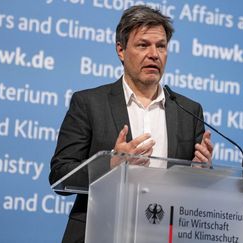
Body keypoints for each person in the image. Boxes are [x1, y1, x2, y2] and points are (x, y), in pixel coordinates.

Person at [49, 5, 213, 243]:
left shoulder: (189, 111)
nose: (154, 54)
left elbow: (195, 193)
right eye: (143, 45)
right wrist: (111, 165)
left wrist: (201, 174)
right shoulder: (89, 103)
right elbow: (60, 176)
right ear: (121, 50)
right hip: (99, 233)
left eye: (161, 46)